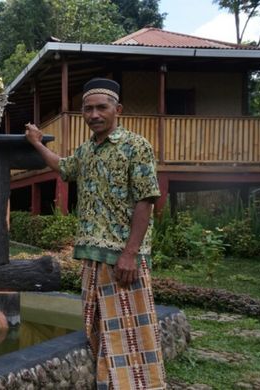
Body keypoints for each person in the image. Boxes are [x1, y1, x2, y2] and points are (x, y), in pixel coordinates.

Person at [25, 78, 165, 389]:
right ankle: (107, 384)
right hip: (92, 255)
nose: (94, 114)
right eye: (88, 109)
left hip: (123, 260)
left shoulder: (135, 146)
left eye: (101, 107)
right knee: (98, 328)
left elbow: (146, 200)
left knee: (131, 332)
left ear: (118, 109)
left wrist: (129, 254)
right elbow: (63, 167)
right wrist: (36, 143)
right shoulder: (87, 150)